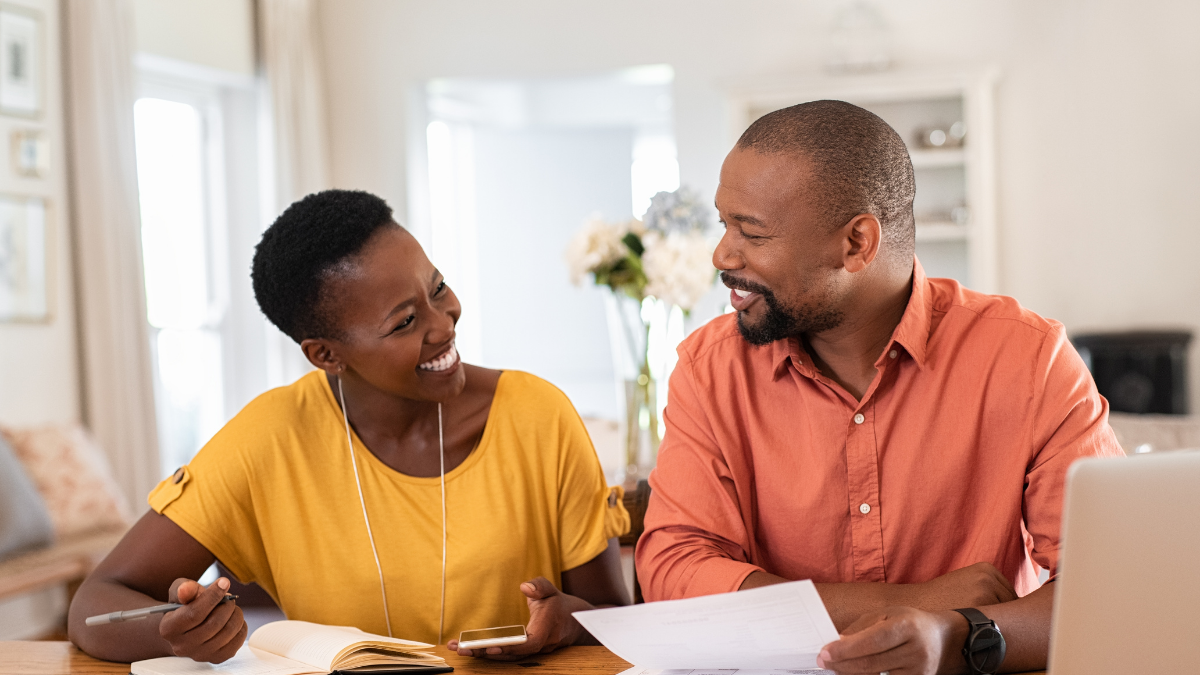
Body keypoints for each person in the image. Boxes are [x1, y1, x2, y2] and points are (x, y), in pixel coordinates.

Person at [636, 101, 1123, 675]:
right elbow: (673, 571)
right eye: (725, 224)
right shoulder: (709, 369)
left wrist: (955, 635)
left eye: (753, 233)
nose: (722, 254)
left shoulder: (1028, 358)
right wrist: (911, 603)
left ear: (857, 243)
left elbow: (1111, 590)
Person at [68, 190, 630, 664]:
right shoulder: (269, 438)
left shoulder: (538, 415)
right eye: (405, 321)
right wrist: (176, 635)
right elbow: (94, 605)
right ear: (326, 355)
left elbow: (613, 619)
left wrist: (565, 622)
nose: (444, 323)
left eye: (437, 288)